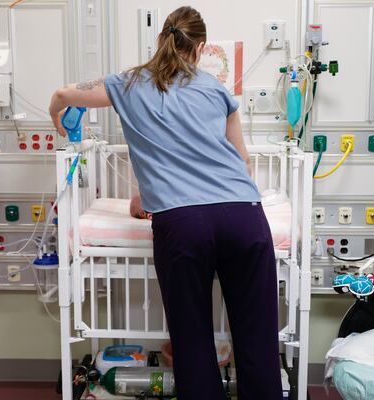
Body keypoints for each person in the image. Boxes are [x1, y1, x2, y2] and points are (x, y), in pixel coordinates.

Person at [49, 6, 282, 399]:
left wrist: (57, 116)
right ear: (201, 47)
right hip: (245, 216)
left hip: (184, 226)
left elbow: (62, 94)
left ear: (162, 39)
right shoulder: (216, 89)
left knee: (192, 341)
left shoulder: (127, 83)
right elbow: (241, 160)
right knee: (257, 338)